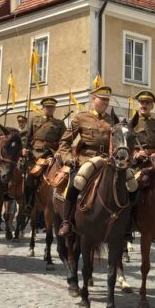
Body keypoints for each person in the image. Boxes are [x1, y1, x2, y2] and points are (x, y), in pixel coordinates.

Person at [57, 86, 119, 237]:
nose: (105, 102)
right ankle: (67, 221)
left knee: (125, 184)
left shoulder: (112, 120)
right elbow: (64, 142)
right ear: (93, 99)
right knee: (74, 183)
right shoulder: (80, 118)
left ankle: (125, 224)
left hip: (106, 161)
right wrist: (68, 159)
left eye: (107, 100)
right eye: (102, 99)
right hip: (86, 160)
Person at [19, 97, 66, 216]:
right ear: (43, 108)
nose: (49, 109)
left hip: (51, 155)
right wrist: (24, 148)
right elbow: (27, 136)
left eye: (51, 107)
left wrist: (59, 152)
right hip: (35, 155)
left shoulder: (59, 123)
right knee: (29, 178)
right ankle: (28, 204)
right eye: (47, 107)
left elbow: (64, 141)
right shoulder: (34, 119)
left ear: (54, 108)